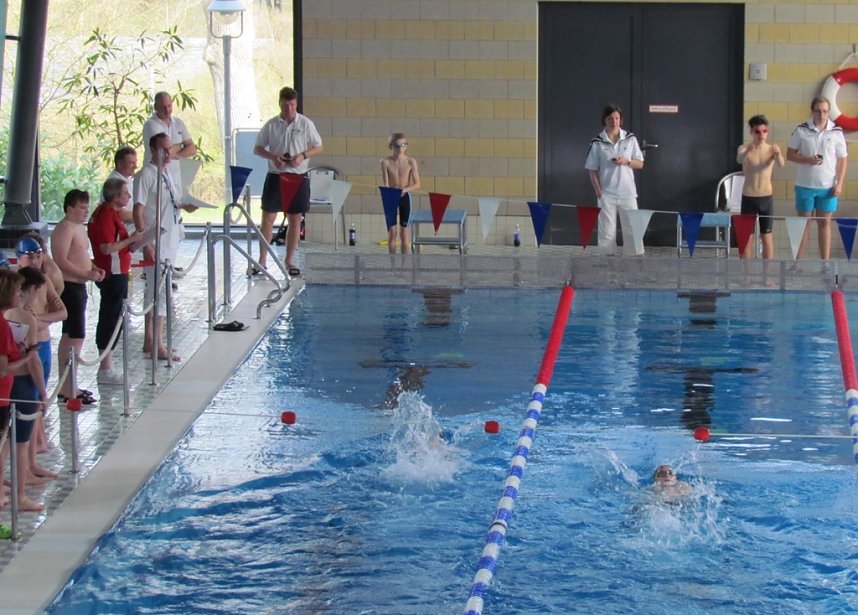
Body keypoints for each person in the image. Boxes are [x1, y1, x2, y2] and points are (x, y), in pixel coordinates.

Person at [133, 132, 198, 361]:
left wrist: (185, 205)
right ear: (153, 150)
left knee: (155, 290)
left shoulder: (167, 172)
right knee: (160, 293)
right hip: (156, 242)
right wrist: (145, 243)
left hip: (169, 240)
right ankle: (158, 345)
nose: (169, 153)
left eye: (170, 148)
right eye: (164, 149)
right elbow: (138, 210)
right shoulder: (146, 175)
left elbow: (171, 201)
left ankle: (150, 340)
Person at [253, 86, 323, 277]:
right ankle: (262, 261)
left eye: (292, 105)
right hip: (276, 174)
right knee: (268, 218)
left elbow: (318, 146)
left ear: (296, 104)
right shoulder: (271, 125)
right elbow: (257, 148)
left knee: (295, 219)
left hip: (297, 176)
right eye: (286, 106)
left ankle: (290, 260)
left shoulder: (305, 124)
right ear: (280, 104)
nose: (289, 109)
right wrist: (272, 156)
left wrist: (303, 155)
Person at [0, 269, 49, 512]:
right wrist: (43, 392)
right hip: (18, 386)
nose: (20, 294)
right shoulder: (21, 319)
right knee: (20, 443)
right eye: (17, 290)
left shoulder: (6, 316)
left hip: (9, 388)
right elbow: (23, 365)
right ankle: (20, 497)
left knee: (4, 443)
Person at [50, 190, 105, 405]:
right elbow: (61, 260)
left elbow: (80, 255)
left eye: (86, 207)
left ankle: (70, 384)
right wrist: (86, 274)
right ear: (70, 208)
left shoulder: (79, 228)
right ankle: (66, 387)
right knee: (74, 335)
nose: (85, 211)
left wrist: (93, 267)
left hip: (79, 285)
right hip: (69, 287)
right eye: (81, 207)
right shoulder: (64, 228)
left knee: (75, 335)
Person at [14, 236, 67, 453]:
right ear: (19, 259)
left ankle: (38, 442)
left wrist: (40, 319)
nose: (36, 261)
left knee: (38, 397)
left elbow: (62, 312)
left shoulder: (43, 282)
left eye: (38, 256)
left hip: (43, 345)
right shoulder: (14, 285)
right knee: (31, 397)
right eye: (30, 257)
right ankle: (31, 447)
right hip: (27, 350)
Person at [88, 178, 143, 384]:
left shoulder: (110, 214)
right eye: (125, 193)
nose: (129, 196)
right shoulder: (105, 215)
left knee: (114, 316)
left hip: (117, 271)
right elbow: (106, 248)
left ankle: (107, 365)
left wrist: (131, 242)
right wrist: (131, 239)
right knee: (110, 317)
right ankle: (105, 368)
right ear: (115, 196)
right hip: (112, 273)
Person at [786, 96, 848, 263]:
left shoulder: (836, 132)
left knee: (824, 224)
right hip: (805, 186)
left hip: (828, 188)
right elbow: (790, 154)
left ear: (829, 112)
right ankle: (797, 264)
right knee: (803, 224)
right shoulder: (801, 130)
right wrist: (807, 160)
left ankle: (824, 265)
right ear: (812, 111)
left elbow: (843, 159)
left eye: (825, 111)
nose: (822, 115)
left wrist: (840, 184)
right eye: (818, 111)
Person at [585, 104, 645, 256]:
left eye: (617, 118)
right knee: (607, 233)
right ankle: (608, 265)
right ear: (604, 120)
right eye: (610, 119)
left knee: (633, 231)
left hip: (628, 193)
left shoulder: (630, 139)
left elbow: (640, 163)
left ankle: (635, 263)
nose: (614, 122)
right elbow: (592, 170)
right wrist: (599, 192)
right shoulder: (597, 142)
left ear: (621, 120)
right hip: (607, 195)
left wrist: (627, 161)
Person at [736, 115, 784, 260]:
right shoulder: (744, 148)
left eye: (765, 131)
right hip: (749, 198)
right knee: (747, 238)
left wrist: (778, 154)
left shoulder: (771, 149)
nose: (761, 135)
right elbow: (739, 159)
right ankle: (746, 273)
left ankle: (766, 272)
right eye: (757, 131)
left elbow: (781, 164)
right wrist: (747, 152)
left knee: (767, 237)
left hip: (766, 198)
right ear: (751, 131)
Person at [141, 92, 195, 188]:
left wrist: (175, 155)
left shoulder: (178, 122)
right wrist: (181, 146)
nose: (167, 110)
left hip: (175, 177)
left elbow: (192, 149)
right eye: (163, 107)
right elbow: (162, 150)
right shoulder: (150, 124)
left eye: (169, 106)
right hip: (155, 177)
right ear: (156, 107)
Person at [381, 132, 421, 254]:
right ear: (390, 146)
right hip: (390, 198)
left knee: (404, 234)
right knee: (392, 234)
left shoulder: (410, 162)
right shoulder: (385, 162)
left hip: (405, 197)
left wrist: (404, 190)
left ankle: (404, 264)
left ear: (406, 146)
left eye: (403, 145)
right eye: (397, 146)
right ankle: (393, 264)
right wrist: (391, 194)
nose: (400, 149)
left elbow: (417, 184)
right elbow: (386, 184)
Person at [105, 145, 138, 224]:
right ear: (120, 163)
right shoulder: (114, 182)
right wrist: (143, 217)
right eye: (131, 163)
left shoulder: (128, 180)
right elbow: (122, 214)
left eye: (135, 162)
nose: (135, 166)